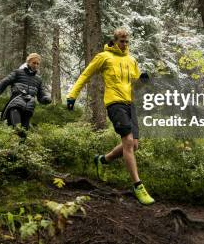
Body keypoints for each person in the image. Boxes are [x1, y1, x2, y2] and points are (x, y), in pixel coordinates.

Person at [66, 28, 154, 205]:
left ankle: (103, 160)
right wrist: (72, 95)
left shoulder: (132, 60)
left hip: (130, 104)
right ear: (114, 41)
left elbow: (135, 85)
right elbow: (86, 75)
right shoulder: (104, 57)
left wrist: (143, 81)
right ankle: (138, 186)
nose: (124, 44)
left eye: (127, 41)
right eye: (122, 40)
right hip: (114, 103)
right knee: (128, 141)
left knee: (134, 145)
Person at [0, 53, 51, 131]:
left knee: (23, 135)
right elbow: (2, 84)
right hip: (15, 106)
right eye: (34, 63)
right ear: (28, 62)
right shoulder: (18, 73)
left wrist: (46, 99)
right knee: (18, 129)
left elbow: (41, 96)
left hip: (29, 109)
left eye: (38, 64)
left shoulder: (38, 79)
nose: (36, 65)